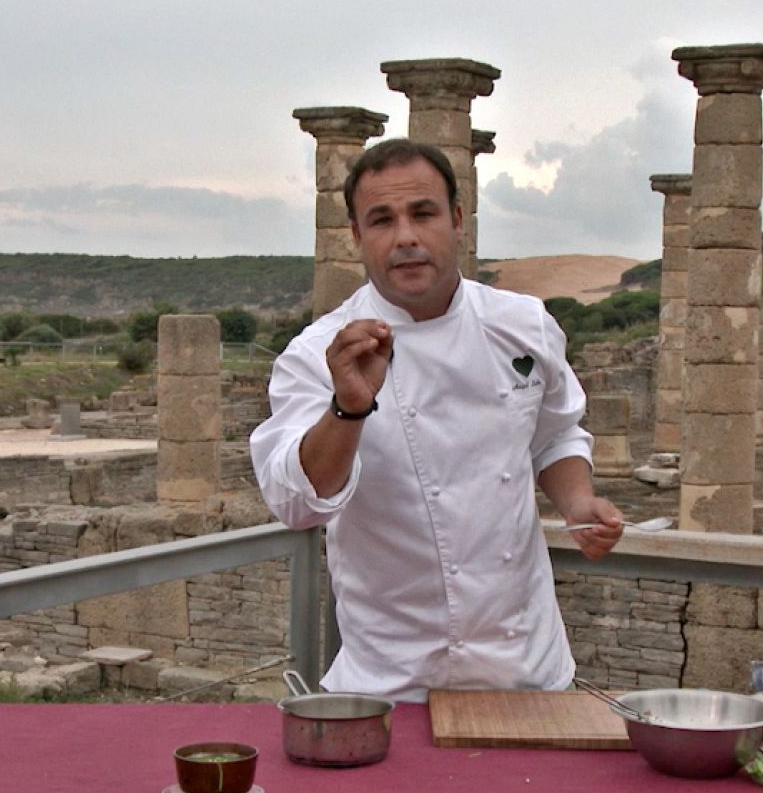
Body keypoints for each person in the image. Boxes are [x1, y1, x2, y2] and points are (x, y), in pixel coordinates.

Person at [250, 138, 623, 703]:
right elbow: (297, 504)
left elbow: (554, 433)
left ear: (455, 220)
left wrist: (577, 503)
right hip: (391, 682)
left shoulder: (523, 324)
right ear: (356, 237)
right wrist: (348, 407)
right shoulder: (317, 354)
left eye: (422, 213)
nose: (405, 237)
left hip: (530, 668)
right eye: (381, 220)